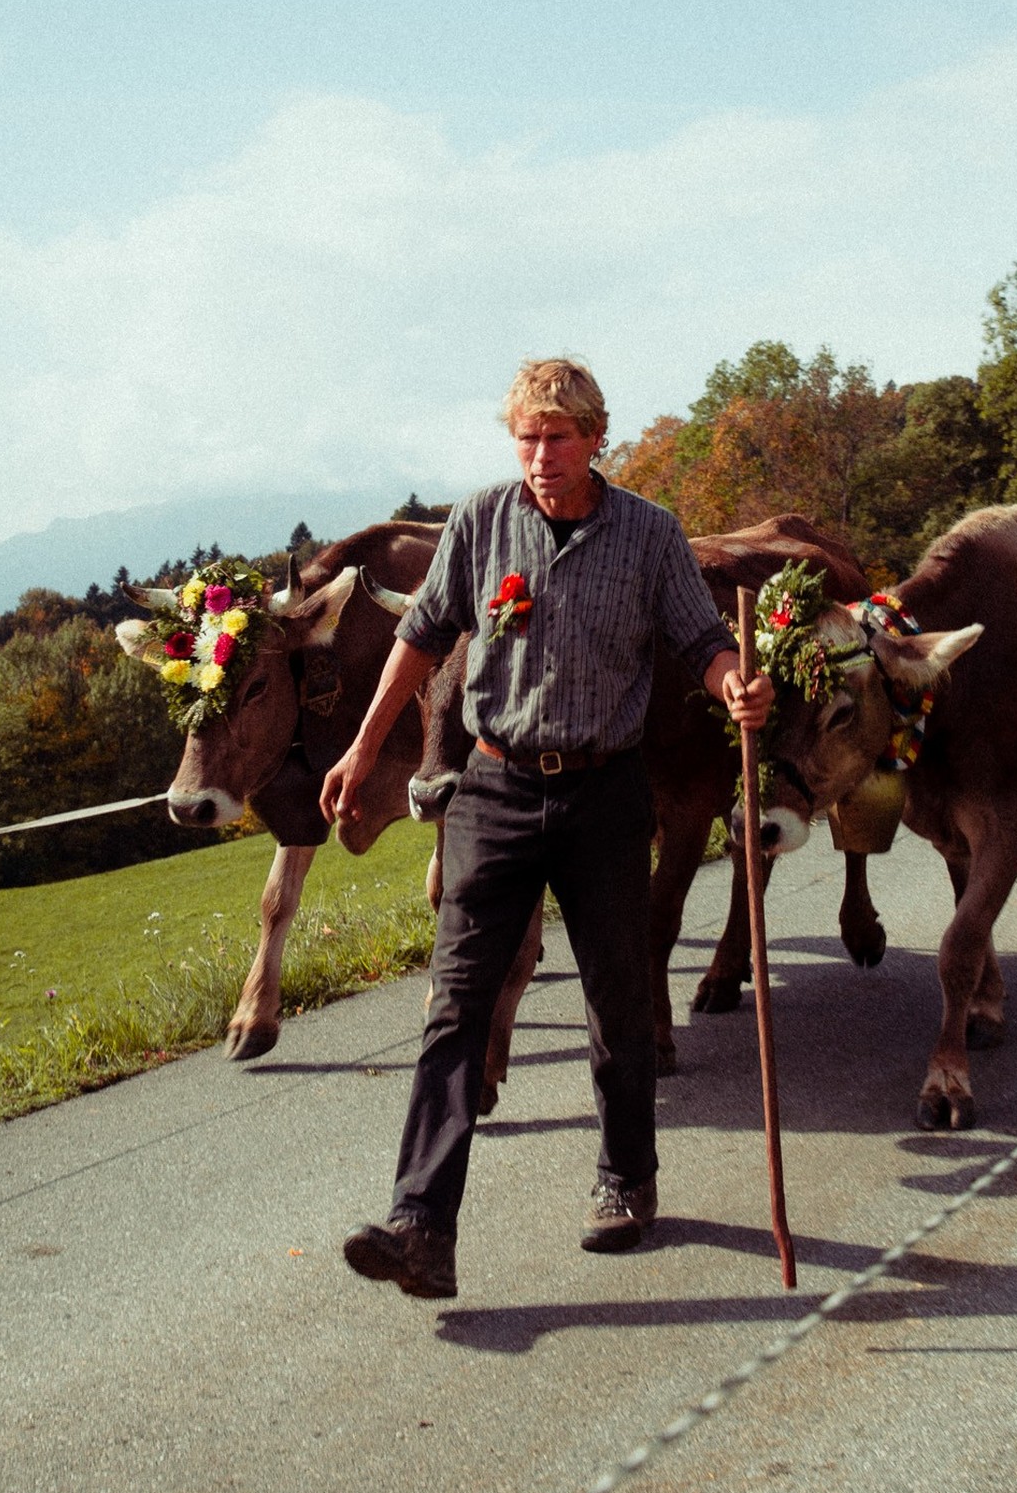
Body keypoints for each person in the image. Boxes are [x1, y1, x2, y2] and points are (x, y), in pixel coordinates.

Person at [319, 359, 774, 1300]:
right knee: (456, 1005)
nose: (539, 456)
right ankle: (421, 1226)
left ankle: (626, 1180)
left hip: (605, 793)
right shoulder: (482, 521)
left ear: (596, 437)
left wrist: (736, 685)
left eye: (557, 438)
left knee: (616, 999)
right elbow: (426, 634)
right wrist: (363, 751)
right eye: (525, 438)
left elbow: (699, 638)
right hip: (494, 784)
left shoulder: (648, 532)